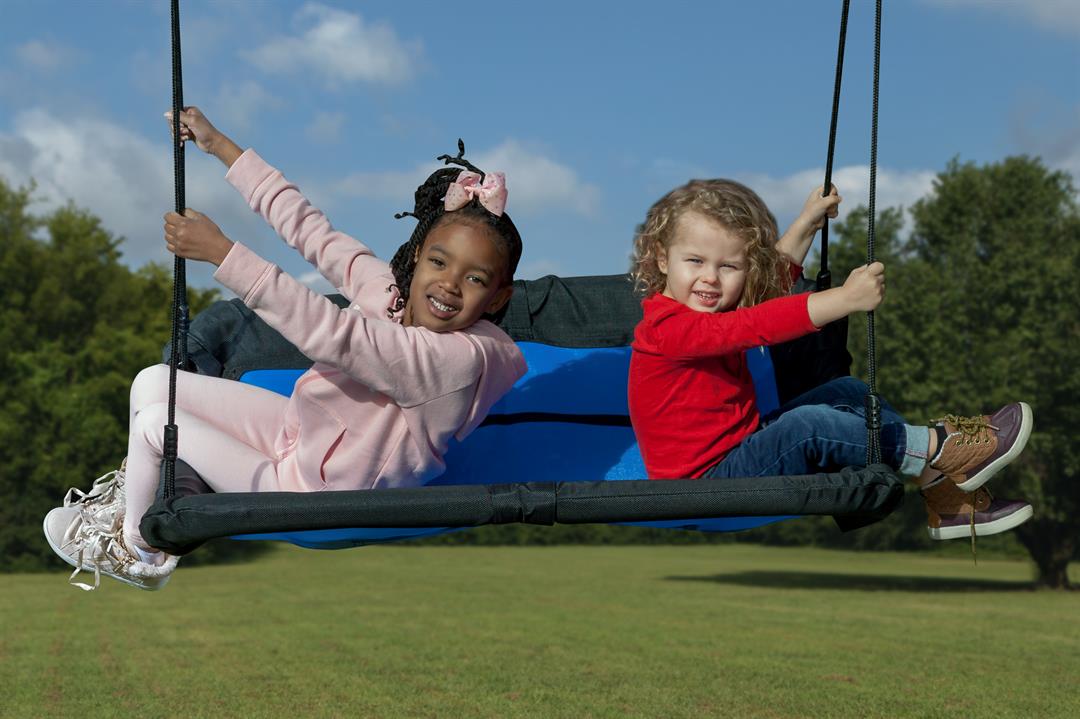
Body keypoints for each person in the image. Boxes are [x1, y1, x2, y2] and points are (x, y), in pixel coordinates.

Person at [43, 108, 527, 591]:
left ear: (497, 297)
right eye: (440, 262)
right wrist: (218, 144)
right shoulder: (391, 293)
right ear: (418, 254)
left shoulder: (455, 362)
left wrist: (222, 253)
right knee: (153, 382)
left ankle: (139, 552)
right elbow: (312, 231)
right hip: (299, 435)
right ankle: (134, 498)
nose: (449, 285)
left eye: (475, 278)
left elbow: (334, 333)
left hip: (323, 496)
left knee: (155, 425)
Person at [627, 178, 1034, 540]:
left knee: (846, 391)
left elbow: (766, 288)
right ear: (662, 258)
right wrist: (844, 299)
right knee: (806, 427)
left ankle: (944, 495)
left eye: (729, 266)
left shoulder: (707, 314)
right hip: (704, 486)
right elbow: (758, 322)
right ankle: (939, 446)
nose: (711, 277)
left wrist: (807, 223)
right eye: (695, 261)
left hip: (739, 453)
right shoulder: (666, 329)